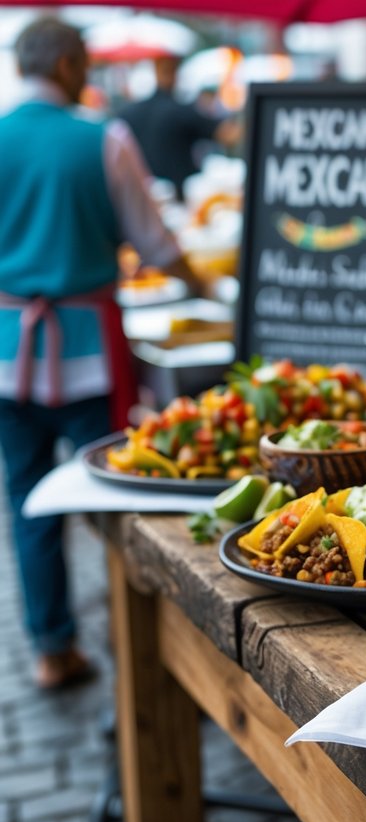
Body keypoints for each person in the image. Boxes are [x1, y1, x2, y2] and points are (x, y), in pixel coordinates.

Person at [0, 18, 204, 690]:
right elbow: (154, 243)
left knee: (28, 501)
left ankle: (51, 647)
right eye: (83, 60)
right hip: (91, 352)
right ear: (63, 64)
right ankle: (138, 639)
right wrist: (204, 285)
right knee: (120, 498)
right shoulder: (102, 139)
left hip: (8, 354)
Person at [117, 56, 241, 198]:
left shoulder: (128, 113)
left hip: (140, 195)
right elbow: (228, 135)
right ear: (175, 74)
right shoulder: (181, 111)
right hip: (178, 195)